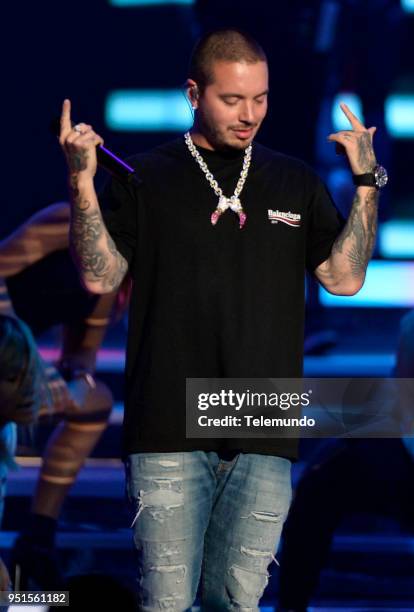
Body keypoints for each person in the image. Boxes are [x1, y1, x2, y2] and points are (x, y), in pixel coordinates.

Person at [59, 28, 385, 611]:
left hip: (263, 421)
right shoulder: (146, 178)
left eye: (259, 99)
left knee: (237, 603)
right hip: (168, 422)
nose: (249, 114)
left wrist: (366, 182)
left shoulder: (294, 180)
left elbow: (345, 278)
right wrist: (82, 180)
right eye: (232, 100)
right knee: (166, 603)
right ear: (194, 93)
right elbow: (99, 277)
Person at [0, 202, 124, 589]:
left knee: (96, 400)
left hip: (18, 375)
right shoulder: (67, 222)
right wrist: (23, 358)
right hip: (7, 351)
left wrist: (76, 377)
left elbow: (82, 356)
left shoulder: (117, 273)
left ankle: (38, 536)